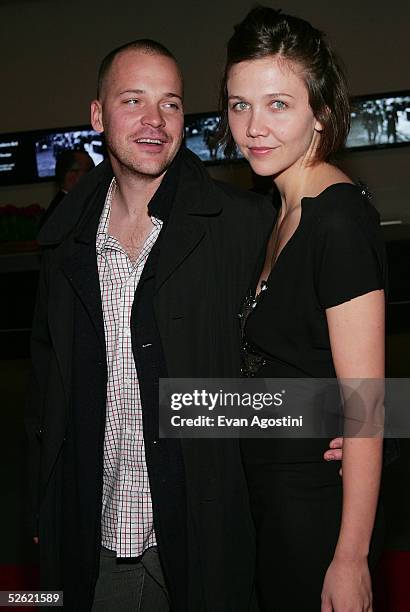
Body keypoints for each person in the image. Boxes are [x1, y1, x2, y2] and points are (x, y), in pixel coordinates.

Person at [25, 38, 343, 611]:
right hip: (92, 545)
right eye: (133, 100)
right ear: (97, 115)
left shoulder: (243, 226)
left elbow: (305, 356)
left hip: (205, 538)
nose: (155, 121)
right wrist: (43, 506)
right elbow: (45, 392)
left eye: (171, 103)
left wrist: (353, 416)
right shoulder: (64, 243)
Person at [218, 7, 386, 611]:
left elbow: (367, 404)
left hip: (313, 512)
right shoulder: (277, 211)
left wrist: (351, 558)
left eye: (277, 104)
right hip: (268, 499)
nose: (253, 127)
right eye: (240, 105)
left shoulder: (336, 222)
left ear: (320, 110)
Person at [39, 149, 95, 228]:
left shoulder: (67, 205)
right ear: (71, 176)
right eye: (90, 170)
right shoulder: (64, 212)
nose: (96, 175)